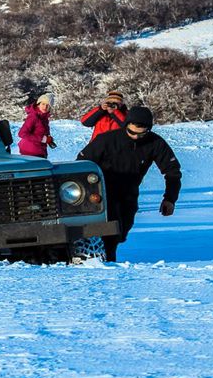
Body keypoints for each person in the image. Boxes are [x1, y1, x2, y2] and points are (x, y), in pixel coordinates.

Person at [77, 106, 181, 262]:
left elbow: (172, 172)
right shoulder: (107, 140)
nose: (136, 137)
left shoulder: (156, 143)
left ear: (148, 129)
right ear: (126, 125)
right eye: (132, 132)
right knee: (110, 230)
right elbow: (82, 163)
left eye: (141, 134)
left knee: (123, 229)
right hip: (103, 192)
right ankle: (107, 262)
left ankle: (107, 253)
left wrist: (170, 198)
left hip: (129, 192)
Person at [18, 93, 56, 158]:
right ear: (38, 104)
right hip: (30, 153)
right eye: (43, 104)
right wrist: (42, 139)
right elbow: (22, 133)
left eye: (48, 105)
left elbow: (41, 132)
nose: (45, 107)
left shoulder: (44, 118)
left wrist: (48, 139)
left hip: (39, 151)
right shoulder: (33, 117)